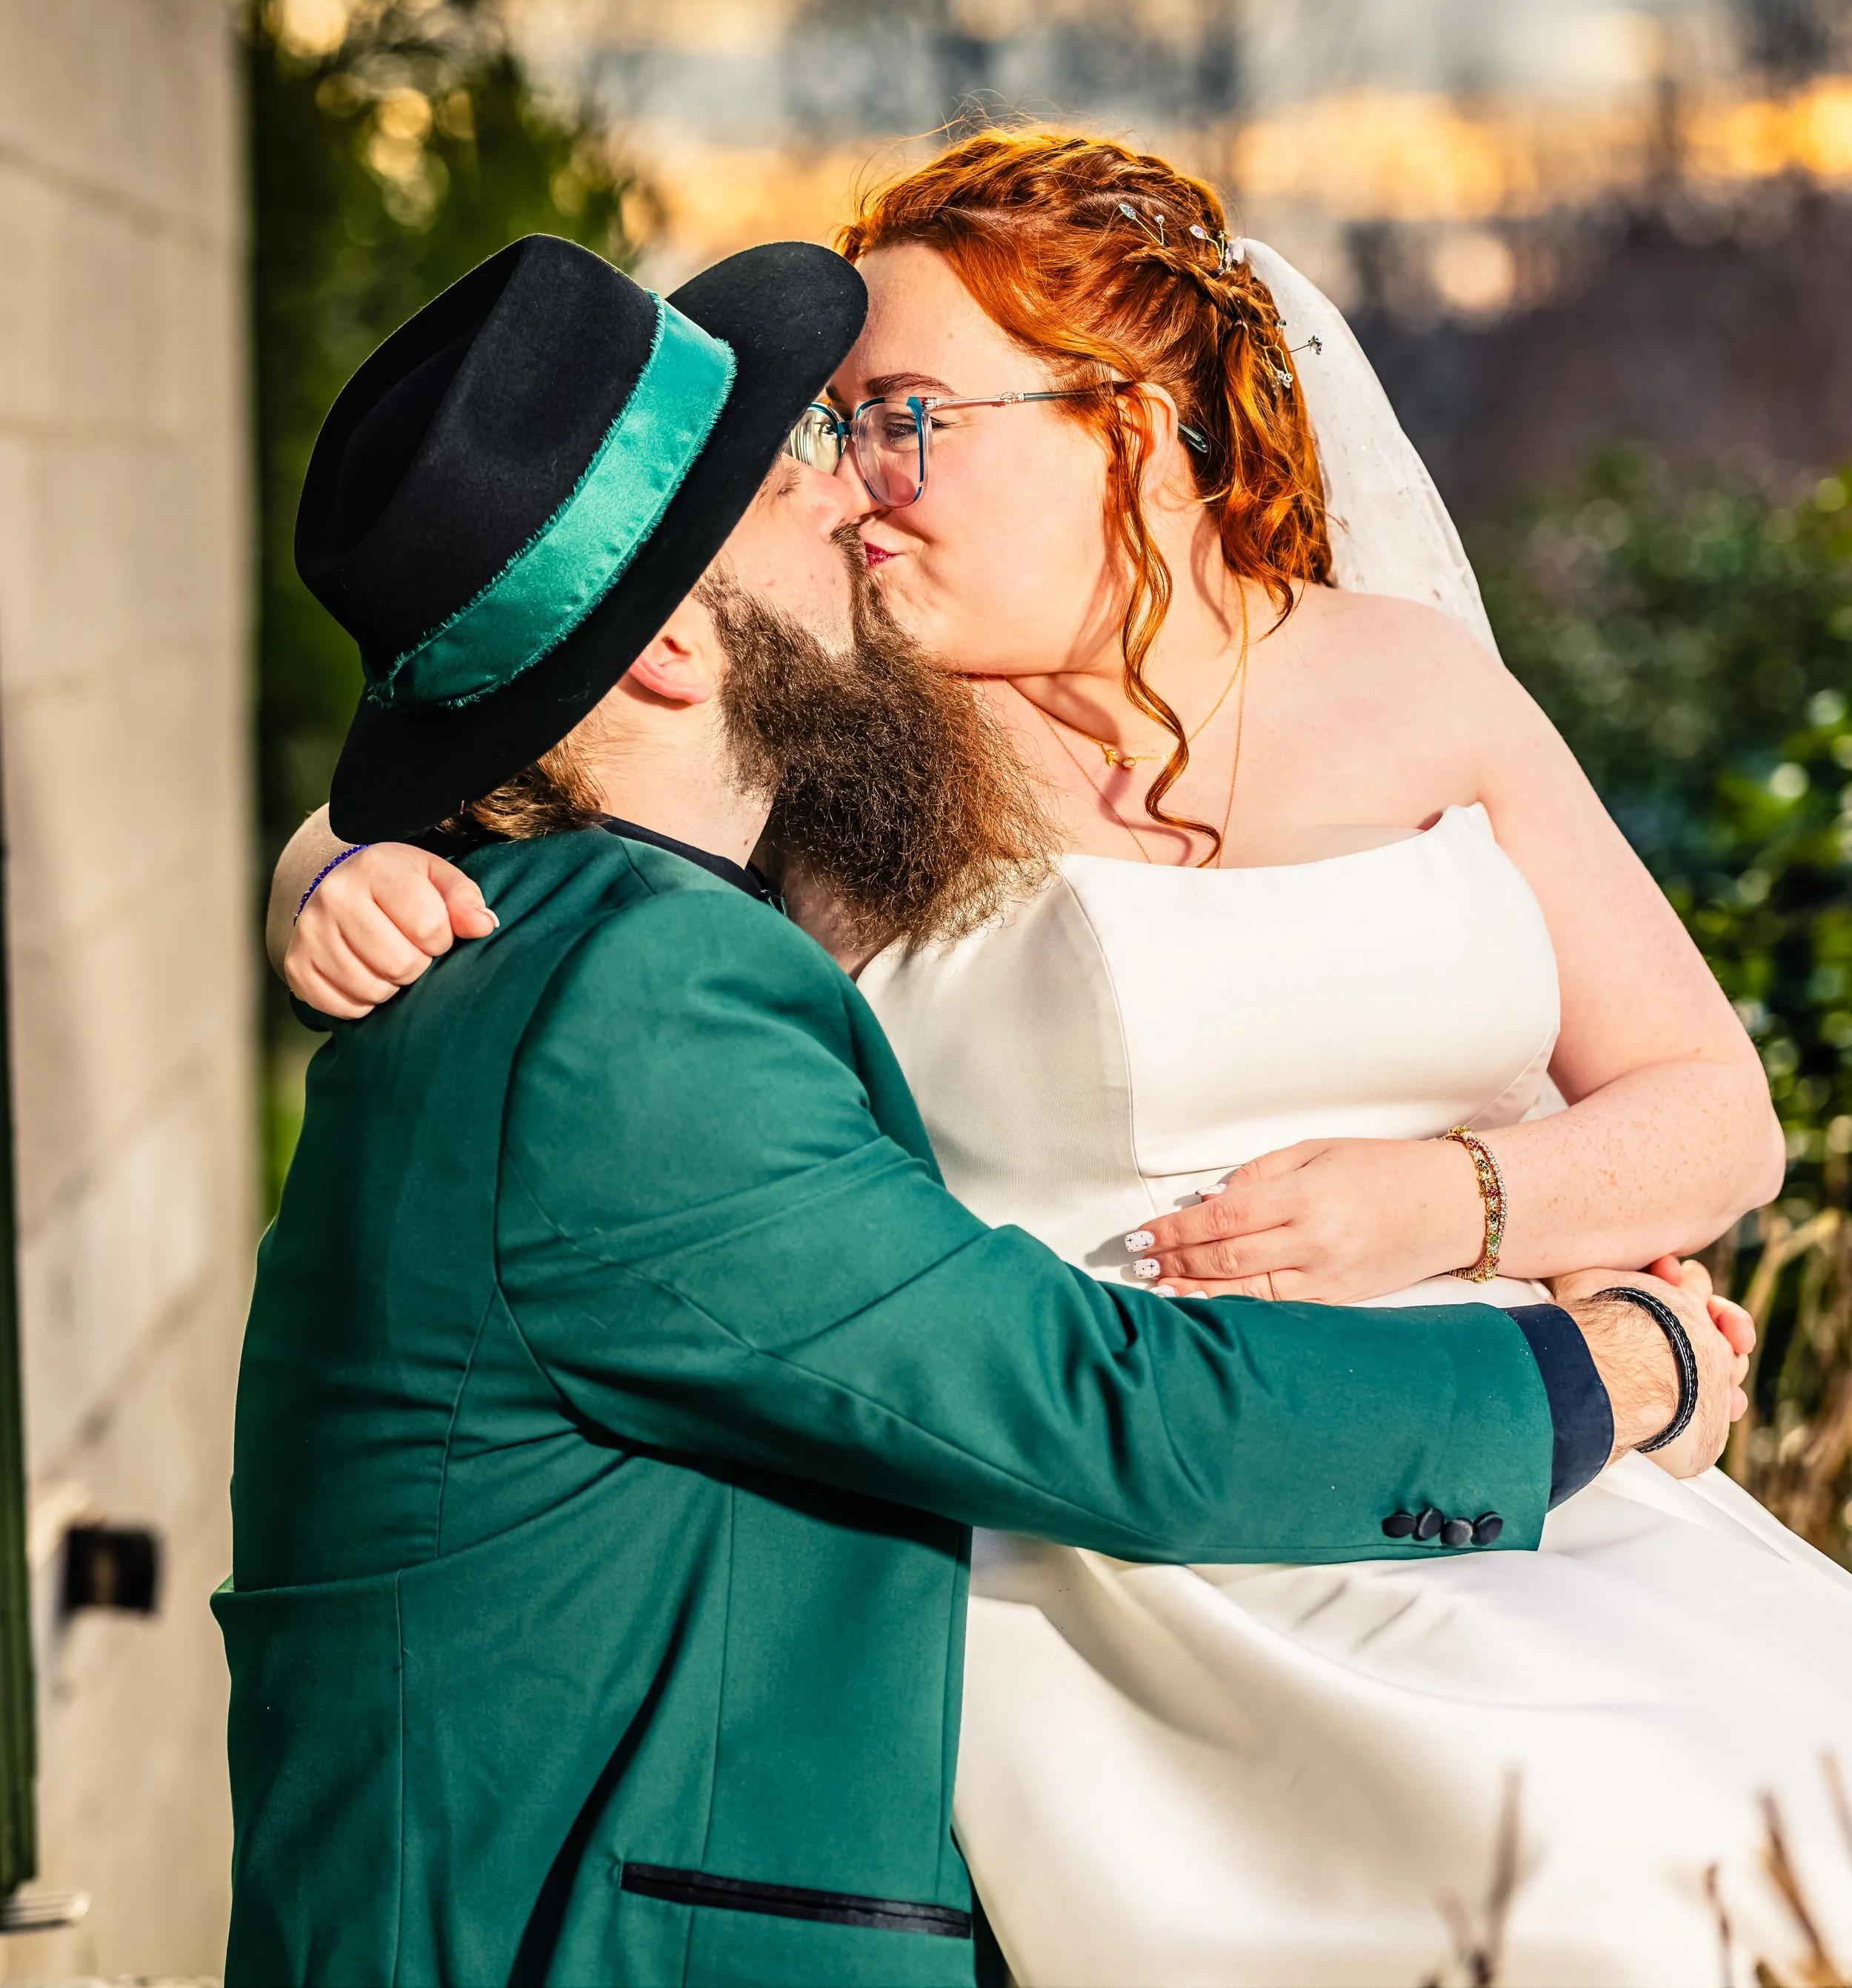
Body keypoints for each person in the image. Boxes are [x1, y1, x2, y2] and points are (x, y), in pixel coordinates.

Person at [267, 148, 1808, 1987]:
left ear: (1127, 430)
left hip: (1443, 1429)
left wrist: (1469, 1200)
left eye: (897, 417)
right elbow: (549, 746)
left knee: (1789, 1775)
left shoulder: (1412, 684)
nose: (851, 487)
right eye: (829, 433)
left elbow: (1710, 1110)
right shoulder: (861, 733)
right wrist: (334, 869)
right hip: (1113, 1516)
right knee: (1597, 1865)